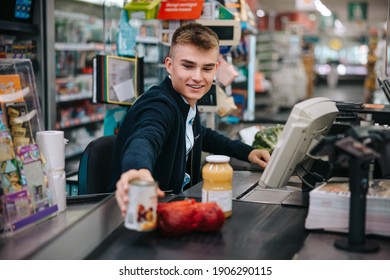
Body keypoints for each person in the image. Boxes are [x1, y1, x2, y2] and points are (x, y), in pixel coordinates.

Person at [112, 23, 270, 217]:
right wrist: (138, 170)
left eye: (207, 68)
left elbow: (201, 134)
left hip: (171, 210)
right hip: (138, 214)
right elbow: (145, 137)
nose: (197, 77)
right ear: (169, 65)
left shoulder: (184, 101)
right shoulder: (160, 104)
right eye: (188, 66)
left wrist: (248, 152)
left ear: (216, 69)